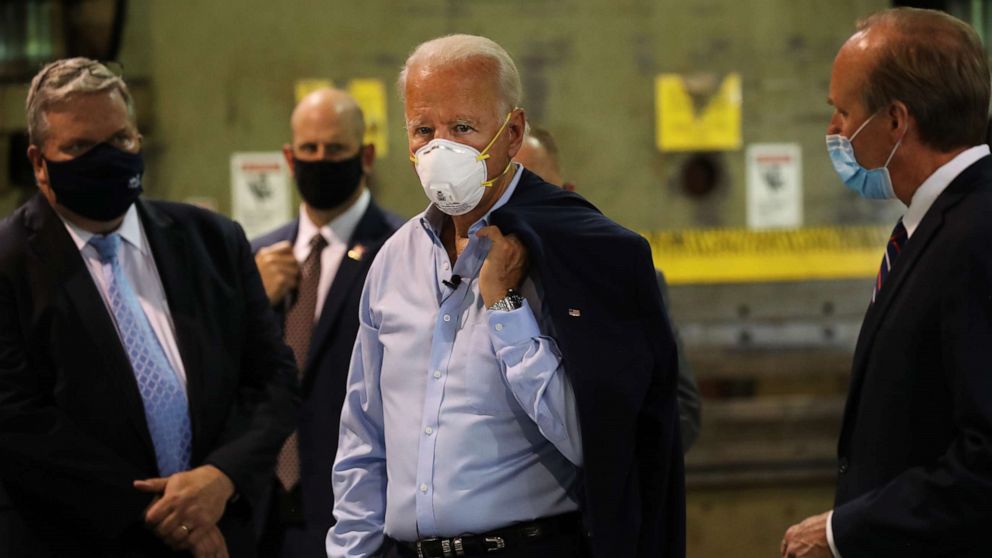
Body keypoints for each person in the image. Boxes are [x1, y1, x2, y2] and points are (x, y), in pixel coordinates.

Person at [328, 34, 684, 558]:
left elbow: (601, 443)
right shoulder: (393, 261)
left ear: (512, 132)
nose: (438, 148)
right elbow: (363, 432)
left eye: (463, 128)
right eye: (423, 130)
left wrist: (507, 311)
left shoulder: (581, 252)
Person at [0, 58, 299, 557]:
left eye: (119, 141)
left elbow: (274, 379)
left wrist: (220, 478)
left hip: (224, 531)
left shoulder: (213, 242)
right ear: (38, 162)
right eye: (79, 147)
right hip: (74, 539)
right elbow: (18, 422)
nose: (105, 158)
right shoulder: (9, 264)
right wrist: (173, 516)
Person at [782, 8, 992, 558]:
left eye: (843, 112)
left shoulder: (978, 236)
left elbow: (986, 460)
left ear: (896, 121)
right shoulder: (935, 224)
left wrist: (844, 532)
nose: (835, 133)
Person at [251, 87, 401, 557]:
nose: (321, 159)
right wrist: (252, 303)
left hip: (360, 517)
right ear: (289, 159)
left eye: (336, 149)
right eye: (309, 149)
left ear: (366, 154)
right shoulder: (255, 258)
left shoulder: (402, 251)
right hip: (265, 519)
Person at [515, 125, 702, 452]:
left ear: (567, 194)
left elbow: (680, 413)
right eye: (503, 196)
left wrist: (604, 467)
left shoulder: (621, 281)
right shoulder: (459, 287)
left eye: (535, 192)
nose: (517, 213)